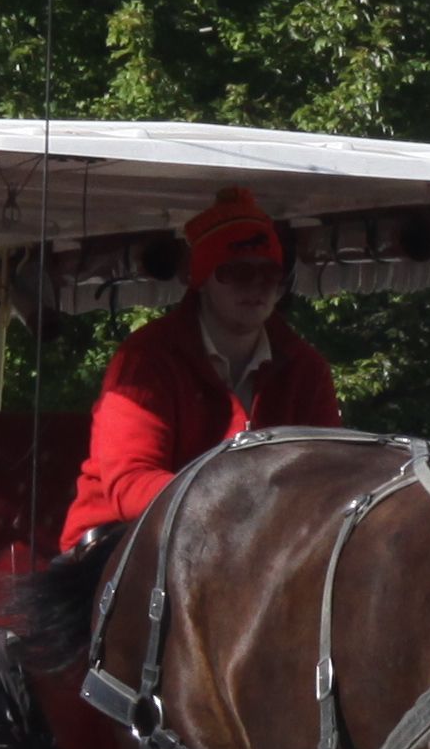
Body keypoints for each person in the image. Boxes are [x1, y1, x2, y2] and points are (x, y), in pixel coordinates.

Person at [58, 188, 342, 550]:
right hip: (117, 547)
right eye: (237, 272)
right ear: (202, 279)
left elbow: (329, 475)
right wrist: (236, 508)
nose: (256, 286)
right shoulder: (147, 359)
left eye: (269, 274)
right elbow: (130, 485)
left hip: (250, 550)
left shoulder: (306, 368)